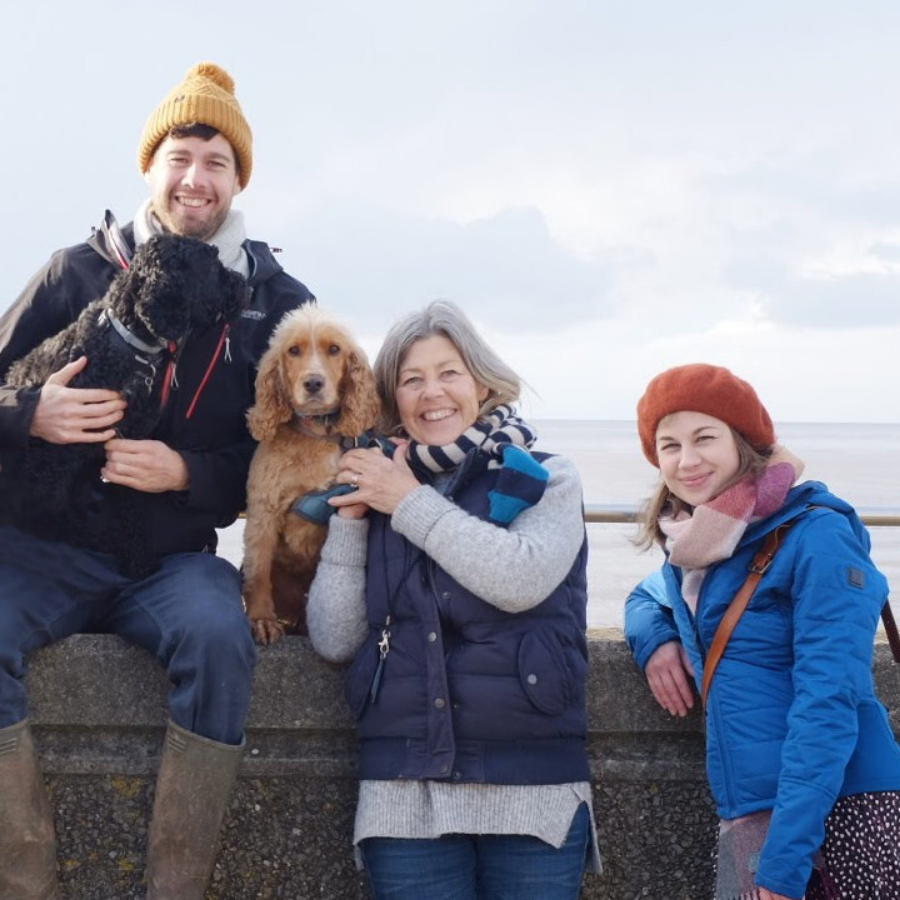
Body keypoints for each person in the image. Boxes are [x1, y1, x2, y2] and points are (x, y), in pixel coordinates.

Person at [0, 62, 314, 900]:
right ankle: (27, 886)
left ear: (237, 177)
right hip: (42, 550)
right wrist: (28, 412)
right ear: (150, 166)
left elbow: (297, 455)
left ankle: (174, 888)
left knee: (221, 640)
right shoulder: (73, 270)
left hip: (169, 562)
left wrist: (189, 474)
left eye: (216, 161)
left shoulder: (278, 301)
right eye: (180, 156)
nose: (195, 178)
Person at [306, 300, 599, 900]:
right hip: (403, 788)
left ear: (481, 382)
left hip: (532, 786)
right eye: (411, 379)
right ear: (393, 398)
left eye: (448, 373)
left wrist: (406, 499)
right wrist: (354, 519)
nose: (431, 393)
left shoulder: (547, 476)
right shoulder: (377, 481)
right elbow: (334, 637)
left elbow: (520, 581)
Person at [623, 363, 900, 900]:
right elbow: (644, 598)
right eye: (669, 445)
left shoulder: (815, 534)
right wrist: (657, 642)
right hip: (752, 809)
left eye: (705, 438)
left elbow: (828, 699)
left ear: (744, 442)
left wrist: (786, 857)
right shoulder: (700, 546)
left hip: (838, 810)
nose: (687, 459)